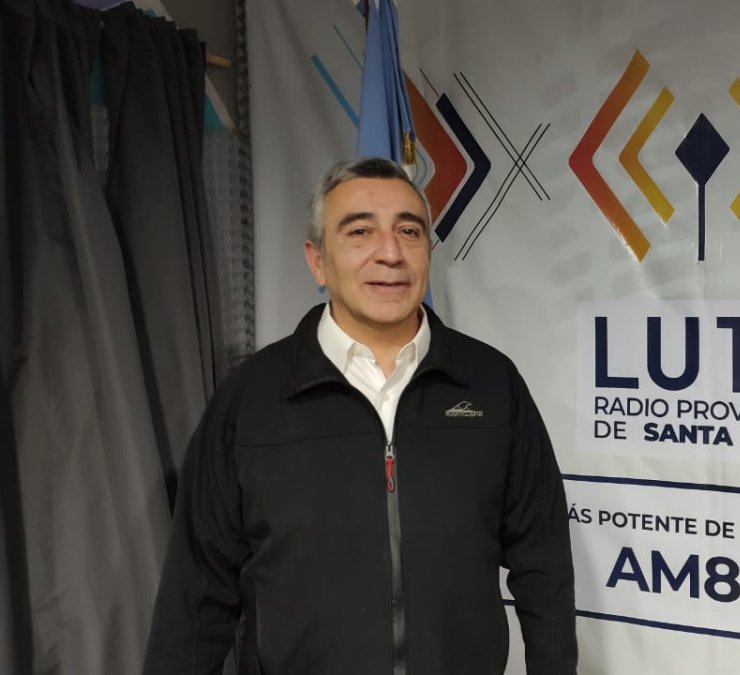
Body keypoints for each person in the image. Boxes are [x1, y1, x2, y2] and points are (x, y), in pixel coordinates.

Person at [143, 157, 577, 674]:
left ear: (428, 251)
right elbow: (196, 596)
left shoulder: (492, 384)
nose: (390, 253)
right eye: (360, 232)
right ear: (317, 260)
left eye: (409, 231)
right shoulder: (249, 399)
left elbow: (543, 563)